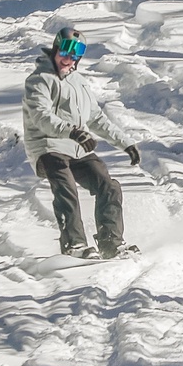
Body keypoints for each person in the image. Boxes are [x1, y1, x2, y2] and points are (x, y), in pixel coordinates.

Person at [21, 26, 143, 259]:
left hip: (77, 149)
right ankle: (74, 244)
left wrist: (125, 143)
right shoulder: (39, 80)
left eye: (76, 54)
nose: (69, 58)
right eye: (66, 51)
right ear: (56, 49)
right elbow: (41, 116)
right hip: (47, 147)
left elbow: (95, 118)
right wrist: (72, 132)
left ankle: (110, 243)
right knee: (66, 188)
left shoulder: (79, 83)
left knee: (109, 186)